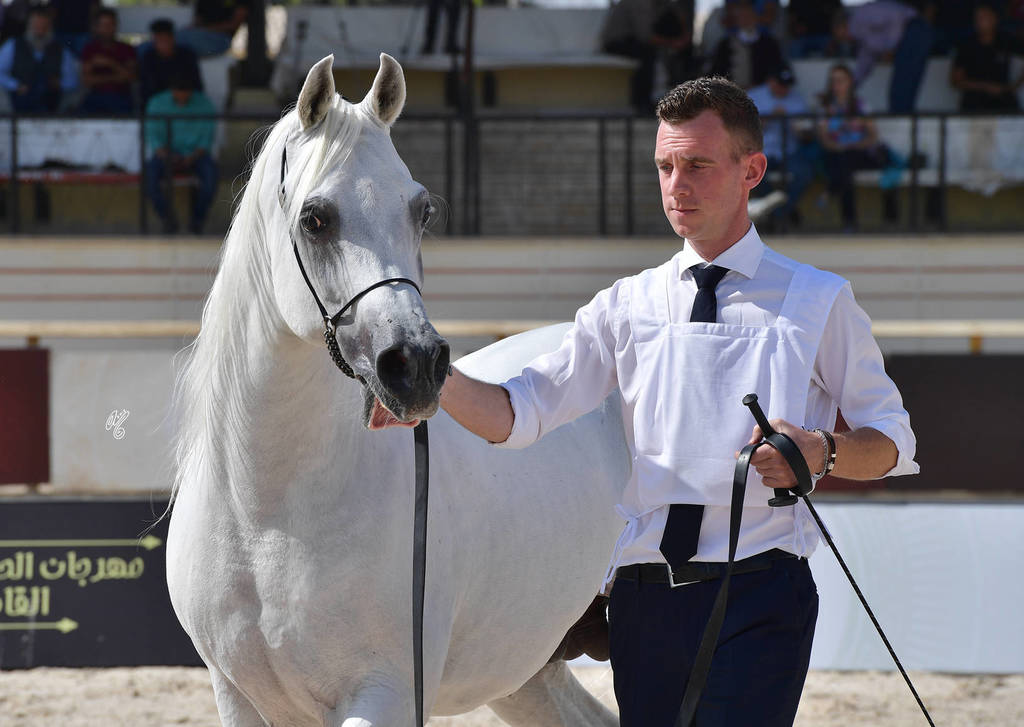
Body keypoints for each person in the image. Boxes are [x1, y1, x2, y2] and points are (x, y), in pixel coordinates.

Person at [438, 75, 918, 726]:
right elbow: (517, 412)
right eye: (665, 166)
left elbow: (891, 441)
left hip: (761, 590)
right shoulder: (624, 305)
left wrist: (821, 449)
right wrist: (430, 373)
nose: (676, 184)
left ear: (752, 170)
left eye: (696, 164)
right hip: (643, 602)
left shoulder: (818, 299)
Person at [817, 64, 901, 231]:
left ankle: (832, 193)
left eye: (841, 80)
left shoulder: (861, 105)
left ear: (850, 82)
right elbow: (824, 139)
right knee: (844, 164)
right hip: (836, 154)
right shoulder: (826, 108)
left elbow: (872, 136)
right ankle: (849, 221)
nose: (837, 85)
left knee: (845, 163)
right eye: (833, 81)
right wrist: (840, 147)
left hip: (860, 153)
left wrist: (854, 145)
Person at [144, 73, 218, 235]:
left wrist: (191, 157)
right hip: (165, 155)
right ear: (172, 90)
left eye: (186, 92)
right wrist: (167, 155)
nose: (183, 96)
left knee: (211, 179)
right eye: (179, 92)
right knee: (148, 179)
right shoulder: (157, 103)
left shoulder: (204, 105)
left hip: (196, 156)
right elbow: (153, 137)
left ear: (192, 91)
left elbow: (206, 139)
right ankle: (168, 219)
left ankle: (197, 222)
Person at [748, 65, 818, 228]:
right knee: (753, 175)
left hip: (789, 151)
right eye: (781, 84)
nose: (785, 88)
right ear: (771, 82)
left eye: (787, 84)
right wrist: (769, 118)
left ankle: (776, 213)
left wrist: (800, 129)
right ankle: (780, 214)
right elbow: (743, 130)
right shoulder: (753, 97)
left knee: (805, 174)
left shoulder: (797, 99)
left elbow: (807, 134)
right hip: (760, 151)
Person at [602, 0, 697, 113]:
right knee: (646, 53)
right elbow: (645, 36)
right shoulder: (641, 3)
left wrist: (683, 37)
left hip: (637, 41)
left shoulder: (662, 4)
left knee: (652, 50)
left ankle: (685, 94)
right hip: (617, 42)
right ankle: (642, 102)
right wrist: (674, 43)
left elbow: (676, 17)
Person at [0, 6, 78, 113]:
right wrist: (16, 85)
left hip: (50, 102)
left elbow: (72, 80)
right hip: (19, 101)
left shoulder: (61, 50)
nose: (40, 29)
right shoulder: (12, 45)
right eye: (36, 25)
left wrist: (59, 84)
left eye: (44, 25)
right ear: (29, 25)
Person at [951, 3, 1024, 112]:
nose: (979, 22)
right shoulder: (967, 45)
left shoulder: (1007, 40)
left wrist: (1014, 86)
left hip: (1003, 97)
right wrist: (985, 86)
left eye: (984, 17)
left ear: (995, 19)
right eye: (977, 18)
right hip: (974, 100)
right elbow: (956, 80)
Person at [708, 0, 786, 89]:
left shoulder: (770, 44)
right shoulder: (725, 44)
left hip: (762, 94)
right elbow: (715, 73)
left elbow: (777, 71)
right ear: (736, 19)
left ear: (756, 17)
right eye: (742, 16)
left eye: (749, 16)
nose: (746, 20)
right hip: (732, 94)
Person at [79, 8, 136, 115]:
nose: (107, 28)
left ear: (116, 26)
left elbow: (130, 77)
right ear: (97, 27)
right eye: (103, 25)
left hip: (122, 97)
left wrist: (110, 63)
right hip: (95, 97)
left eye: (111, 24)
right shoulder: (90, 49)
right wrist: (117, 76)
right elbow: (87, 80)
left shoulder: (127, 49)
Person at [138, 19, 204, 106]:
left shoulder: (187, 55)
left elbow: (196, 84)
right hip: (157, 105)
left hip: (187, 102)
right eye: (160, 40)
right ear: (154, 41)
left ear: (173, 38)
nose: (164, 45)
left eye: (166, 40)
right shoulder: (149, 58)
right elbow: (147, 89)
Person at [175, 0, 249, 58]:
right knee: (175, 38)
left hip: (222, 40)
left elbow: (233, 25)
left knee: (176, 40)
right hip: (201, 36)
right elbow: (197, 22)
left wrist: (205, 29)